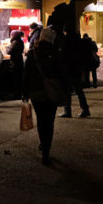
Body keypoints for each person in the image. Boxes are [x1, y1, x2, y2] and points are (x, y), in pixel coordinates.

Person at [23, 27, 65, 165]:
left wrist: (25, 92)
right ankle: (46, 150)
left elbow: (26, 74)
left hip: (37, 91)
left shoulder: (32, 53)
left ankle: (43, 144)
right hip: (52, 91)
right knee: (50, 121)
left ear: (41, 37)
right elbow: (62, 74)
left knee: (41, 120)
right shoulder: (56, 53)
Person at [59, 25, 90, 118]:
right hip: (77, 68)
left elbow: (64, 54)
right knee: (79, 90)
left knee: (67, 91)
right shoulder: (78, 39)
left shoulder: (66, 40)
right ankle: (85, 109)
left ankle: (67, 110)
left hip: (69, 68)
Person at [7, 30, 25, 99]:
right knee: (18, 79)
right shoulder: (20, 41)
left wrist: (7, 47)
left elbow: (8, 51)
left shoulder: (15, 42)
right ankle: (18, 94)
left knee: (16, 79)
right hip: (19, 62)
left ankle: (16, 95)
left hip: (15, 63)